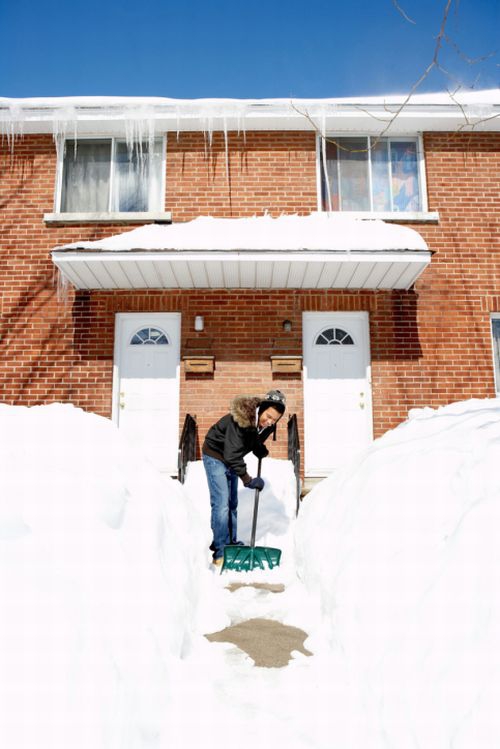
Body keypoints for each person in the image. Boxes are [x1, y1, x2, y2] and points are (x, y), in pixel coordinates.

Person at [202, 389, 287, 566]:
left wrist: (258, 448)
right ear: (261, 409)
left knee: (232, 504)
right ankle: (220, 551)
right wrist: (248, 480)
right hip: (216, 455)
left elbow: (252, 439)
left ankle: (231, 543)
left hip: (231, 457)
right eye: (268, 416)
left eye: (274, 420)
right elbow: (232, 454)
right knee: (222, 504)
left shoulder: (266, 425)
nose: (270, 422)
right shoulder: (240, 420)